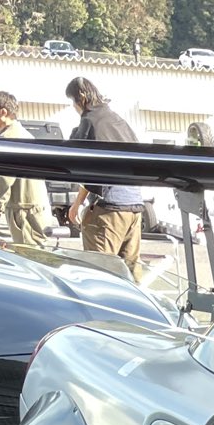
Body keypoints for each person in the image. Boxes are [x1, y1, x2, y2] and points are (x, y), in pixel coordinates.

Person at [62, 76, 148, 281]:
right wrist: (78, 203)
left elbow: (82, 165)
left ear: (81, 98)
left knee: (100, 275)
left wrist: (78, 204)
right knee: (131, 276)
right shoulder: (117, 120)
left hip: (109, 209)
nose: (73, 107)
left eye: (72, 101)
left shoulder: (90, 122)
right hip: (134, 205)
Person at [0, 90, 54, 247]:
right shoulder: (23, 134)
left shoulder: (9, 139)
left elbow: (4, 180)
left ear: (3, 112)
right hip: (33, 210)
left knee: (28, 256)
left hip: (25, 213)